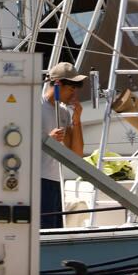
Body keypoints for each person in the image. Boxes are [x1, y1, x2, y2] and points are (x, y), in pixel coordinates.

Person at [40, 61, 87, 229]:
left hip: (55, 180)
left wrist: (77, 119)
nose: (73, 94)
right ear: (58, 84)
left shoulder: (64, 112)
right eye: (71, 89)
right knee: (43, 231)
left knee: (54, 230)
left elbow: (76, 153)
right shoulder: (35, 107)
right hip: (37, 180)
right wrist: (47, 140)